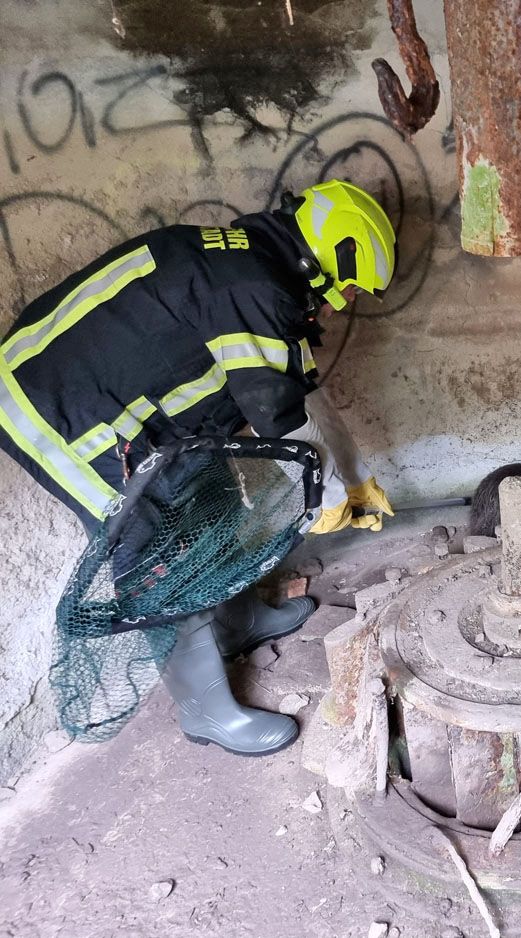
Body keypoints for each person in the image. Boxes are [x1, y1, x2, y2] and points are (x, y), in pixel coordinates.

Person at [0, 179, 398, 756]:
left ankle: (237, 624)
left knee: (211, 495)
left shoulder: (257, 269)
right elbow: (280, 420)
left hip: (120, 403)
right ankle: (206, 712)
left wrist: (354, 477)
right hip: (53, 410)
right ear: (327, 261)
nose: (343, 303)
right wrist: (331, 497)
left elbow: (301, 395)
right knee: (157, 554)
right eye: (349, 287)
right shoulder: (254, 288)